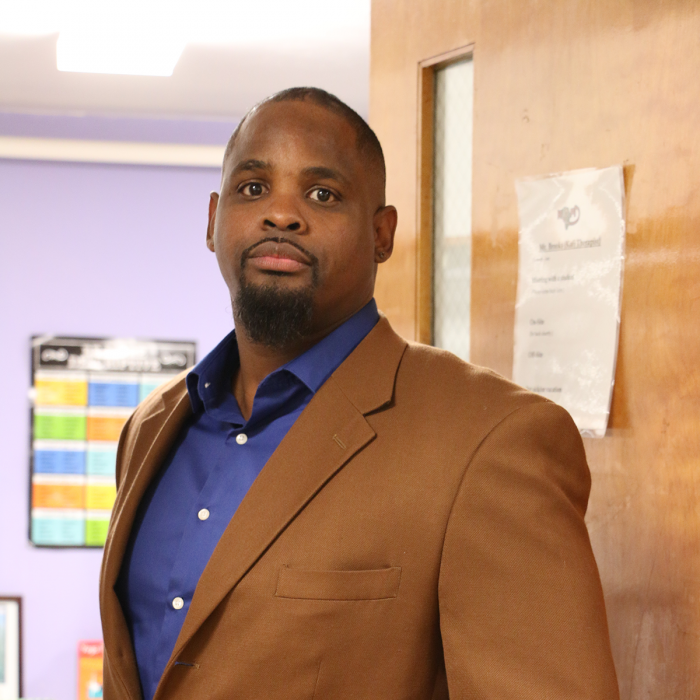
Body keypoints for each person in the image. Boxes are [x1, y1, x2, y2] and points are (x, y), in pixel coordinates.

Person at [99, 87, 619, 700]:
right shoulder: (153, 427)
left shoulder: (491, 440)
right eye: (253, 188)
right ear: (213, 220)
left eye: (323, 194)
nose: (282, 215)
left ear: (382, 234)